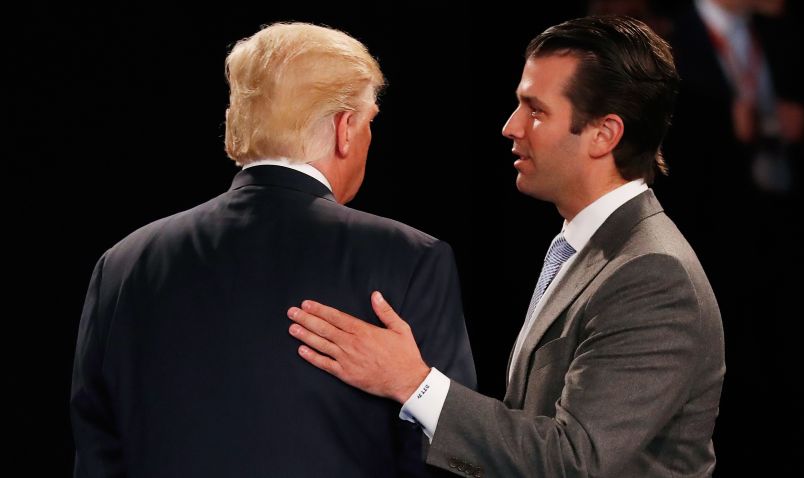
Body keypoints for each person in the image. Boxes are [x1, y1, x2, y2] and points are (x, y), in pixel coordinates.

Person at [287, 16, 725, 477]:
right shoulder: (588, 248)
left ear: (605, 134)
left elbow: (573, 462)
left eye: (535, 110)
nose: (511, 126)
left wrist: (412, 382)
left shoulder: (653, 275)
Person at [70, 22, 475, 477]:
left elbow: (97, 455)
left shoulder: (122, 266)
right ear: (345, 129)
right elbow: (447, 458)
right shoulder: (412, 260)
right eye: (369, 122)